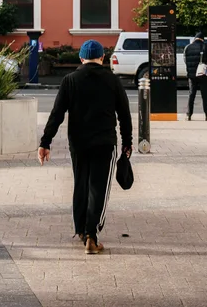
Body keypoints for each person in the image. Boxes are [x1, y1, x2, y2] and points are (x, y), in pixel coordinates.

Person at [39, 40, 133, 254]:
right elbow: (124, 115)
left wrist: (45, 142)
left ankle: (81, 230)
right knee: (98, 188)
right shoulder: (113, 80)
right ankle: (91, 235)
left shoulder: (70, 80)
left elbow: (57, 114)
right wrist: (127, 143)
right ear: (102, 58)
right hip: (105, 143)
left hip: (78, 143)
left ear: (81, 58)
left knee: (81, 184)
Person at [183, 32, 207, 121]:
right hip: (203, 74)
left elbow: (185, 60)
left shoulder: (188, 47)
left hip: (191, 75)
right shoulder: (205, 46)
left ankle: (188, 115)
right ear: (202, 39)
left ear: (195, 38)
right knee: (205, 96)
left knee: (191, 95)